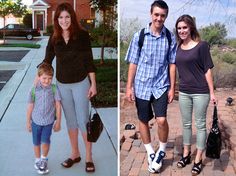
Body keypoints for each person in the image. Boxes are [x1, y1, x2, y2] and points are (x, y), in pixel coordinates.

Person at [37, 2, 97, 173]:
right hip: (62, 85)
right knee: (71, 122)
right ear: (57, 20)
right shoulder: (54, 37)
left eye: (67, 17)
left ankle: (89, 157)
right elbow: (47, 59)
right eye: (61, 17)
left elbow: (89, 61)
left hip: (80, 83)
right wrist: (38, 80)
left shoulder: (82, 35)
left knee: (83, 121)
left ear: (72, 17)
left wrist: (93, 84)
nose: (64, 20)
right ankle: (75, 154)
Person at [125, 0, 177, 173]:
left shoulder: (169, 37)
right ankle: (150, 151)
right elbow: (133, 63)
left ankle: (161, 150)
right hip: (141, 86)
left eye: (162, 15)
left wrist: (172, 88)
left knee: (161, 120)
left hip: (161, 86)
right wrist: (128, 87)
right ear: (151, 14)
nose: (159, 18)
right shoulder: (139, 36)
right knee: (143, 120)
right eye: (156, 14)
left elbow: (172, 64)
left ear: (166, 16)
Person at [175, 14, 217, 175]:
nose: (182, 30)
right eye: (179, 28)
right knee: (185, 124)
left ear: (191, 27)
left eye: (184, 27)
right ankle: (186, 154)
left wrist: (212, 92)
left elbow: (207, 70)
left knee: (199, 125)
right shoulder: (178, 47)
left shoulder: (202, 46)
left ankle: (198, 158)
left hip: (201, 92)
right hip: (184, 92)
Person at [26, 63, 62, 174]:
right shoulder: (34, 90)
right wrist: (28, 121)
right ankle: (37, 160)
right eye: (44, 78)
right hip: (36, 121)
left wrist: (58, 122)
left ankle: (43, 159)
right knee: (36, 142)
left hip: (48, 121)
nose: (47, 81)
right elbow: (30, 105)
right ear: (39, 77)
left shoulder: (54, 89)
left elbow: (58, 105)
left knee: (46, 141)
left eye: (49, 78)